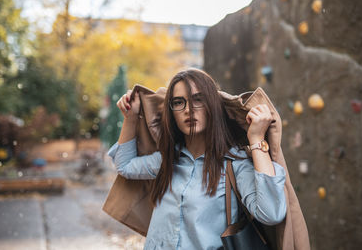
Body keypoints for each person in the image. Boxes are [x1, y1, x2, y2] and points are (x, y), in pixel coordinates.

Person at [107, 68, 287, 250]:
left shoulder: (234, 164)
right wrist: (130, 118)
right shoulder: (168, 160)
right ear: (172, 112)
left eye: (198, 99)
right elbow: (124, 166)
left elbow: (271, 213)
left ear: (212, 105)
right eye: (179, 102)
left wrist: (256, 140)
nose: (188, 110)